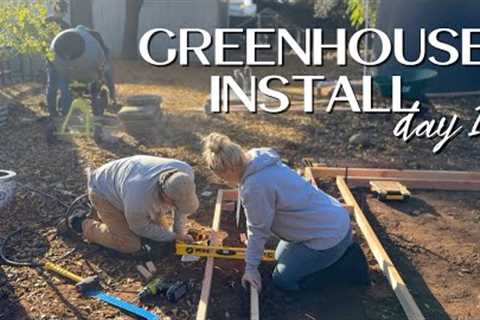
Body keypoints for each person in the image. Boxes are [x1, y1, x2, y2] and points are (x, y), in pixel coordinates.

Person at [202, 133, 370, 292]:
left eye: (221, 177)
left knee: (284, 280)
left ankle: (346, 264)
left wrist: (251, 269)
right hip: (332, 218)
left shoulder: (256, 186)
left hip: (328, 238)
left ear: (228, 170)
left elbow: (258, 230)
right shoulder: (257, 159)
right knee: (278, 255)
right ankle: (335, 254)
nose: (223, 181)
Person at [60, 155, 199, 255]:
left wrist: (178, 234)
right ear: (164, 194)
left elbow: (181, 206)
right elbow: (140, 228)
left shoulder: (185, 172)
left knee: (162, 235)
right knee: (129, 244)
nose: (175, 207)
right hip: (102, 191)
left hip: (126, 185)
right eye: (173, 203)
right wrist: (174, 236)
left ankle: (110, 218)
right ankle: (81, 223)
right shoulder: (139, 198)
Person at [46, 25, 115, 117]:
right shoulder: (92, 37)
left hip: (61, 64)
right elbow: (104, 55)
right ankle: (101, 107)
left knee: (59, 88)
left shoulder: (66, 37)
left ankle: (60, 114)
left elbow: (104, 55)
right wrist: (104, 67)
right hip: (63, 64)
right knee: (100, 80)